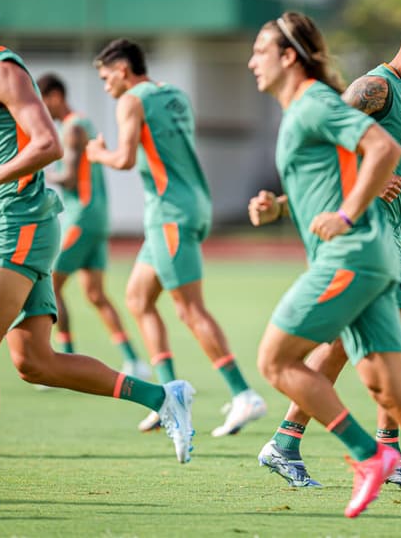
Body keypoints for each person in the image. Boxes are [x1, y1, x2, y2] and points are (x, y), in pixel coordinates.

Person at [0, 0, 194, 512]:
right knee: (36, 362)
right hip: (22, 223)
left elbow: (47, 143)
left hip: (18, 224)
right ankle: (164, 397)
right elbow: (14, 144)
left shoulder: (2, 70)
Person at [247, 11, 401, 536]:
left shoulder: (324, 100)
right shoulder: (370, 89)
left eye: (259, 52)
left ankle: (368, 453)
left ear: (288, 56)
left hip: (361, 248)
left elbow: (375, 153)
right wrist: (303, 203)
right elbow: (345, 159)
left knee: (280, 358)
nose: (251, 62)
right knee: (393, 371)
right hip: (373, 244)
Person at [86, 38, 266, 437]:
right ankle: (169, 393)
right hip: (190, 204)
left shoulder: (130, 100)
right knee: (137, 298)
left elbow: (125, 158)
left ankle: (243, 393)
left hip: (170, 213)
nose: (105, 86)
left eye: (105, 77)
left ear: (121, 70)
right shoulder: (175, 95)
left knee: (189, 309)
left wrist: (96, 153)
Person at [37, 73, 151, 380]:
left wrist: (36, 173)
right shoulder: (79, 125)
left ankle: (62, 361)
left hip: (82, 218)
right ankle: (133, 358)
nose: (39, 108)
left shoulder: (72, 128)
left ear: (56, 97)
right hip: (98, 219)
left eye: (41, 100)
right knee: (95, 293)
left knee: (49, 283)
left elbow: (71, 178)